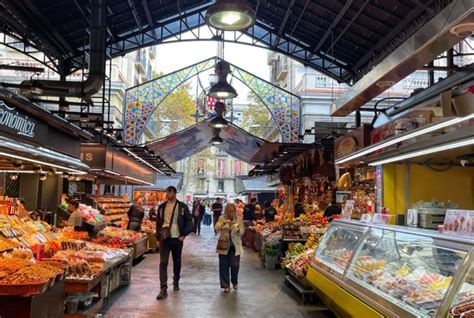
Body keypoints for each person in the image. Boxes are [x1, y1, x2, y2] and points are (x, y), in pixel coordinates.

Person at [156, 186, 193, 300]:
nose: (166, 194)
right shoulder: (162, 207)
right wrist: (158, 236)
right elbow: (158, 222)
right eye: (166, 192)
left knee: (177, 261)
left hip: (177, 238)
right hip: (164, 238)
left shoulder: (182, 207)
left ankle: (176, 280)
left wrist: (184, 234)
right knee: (163, 263)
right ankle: (163, 288)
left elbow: (190, 222)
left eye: (169, 192)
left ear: (174, 193)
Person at [215, 203, 244, 293]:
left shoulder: (239, 219)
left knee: (235, 266)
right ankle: (225, 285)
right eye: (229, 212)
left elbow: (242, 231)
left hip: (235, 246)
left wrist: (237, 229)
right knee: (223, 266)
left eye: (232, 211)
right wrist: (224, 223)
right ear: (226, 212)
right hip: (224, 245)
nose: (231, 213)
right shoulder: (221, 218)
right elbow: (216, 227)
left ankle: (234, 281)